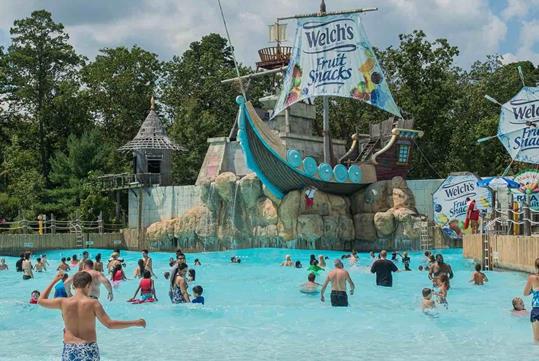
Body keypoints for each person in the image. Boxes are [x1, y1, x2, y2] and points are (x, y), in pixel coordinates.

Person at [37, 271, 145, 360]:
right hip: (89, 348)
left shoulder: (63, 302)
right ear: (88, 285)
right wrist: (135, 322)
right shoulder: (93, 303)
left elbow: (40, 300)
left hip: (70, 348)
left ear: (73, 286)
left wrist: (54, 280)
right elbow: (110, 324)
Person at [523, 257, 539, 342]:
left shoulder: (532, 278)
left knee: (537, 340)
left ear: (536, 267)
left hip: (537, 309)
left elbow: (525, 293)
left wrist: (533, 290)